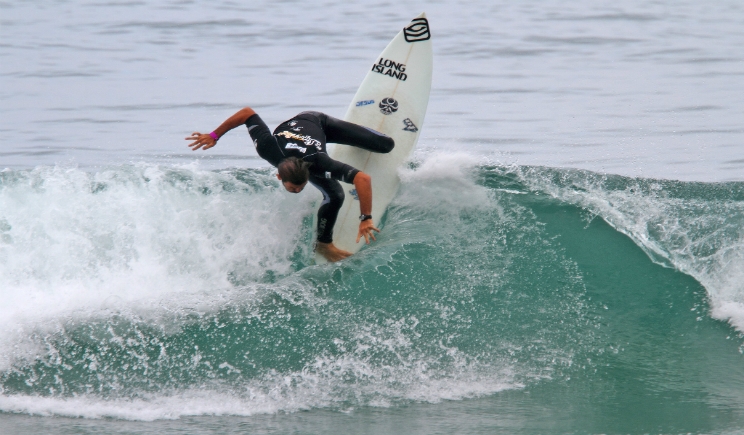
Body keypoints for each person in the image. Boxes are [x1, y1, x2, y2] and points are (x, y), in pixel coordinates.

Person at [186, 108, 394, 262]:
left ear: (307, 175)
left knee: (386, 145)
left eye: (301, 187)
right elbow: (247, 114)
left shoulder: (319, 163)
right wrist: (214, 136)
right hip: (290, 133)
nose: (298, 191)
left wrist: (365, 218)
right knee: (335, 194)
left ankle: (359, 130)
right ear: (279, 177)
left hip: (316, 122)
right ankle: (323, 245)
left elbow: (363, 179)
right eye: (294, 188)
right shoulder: (268, 148)